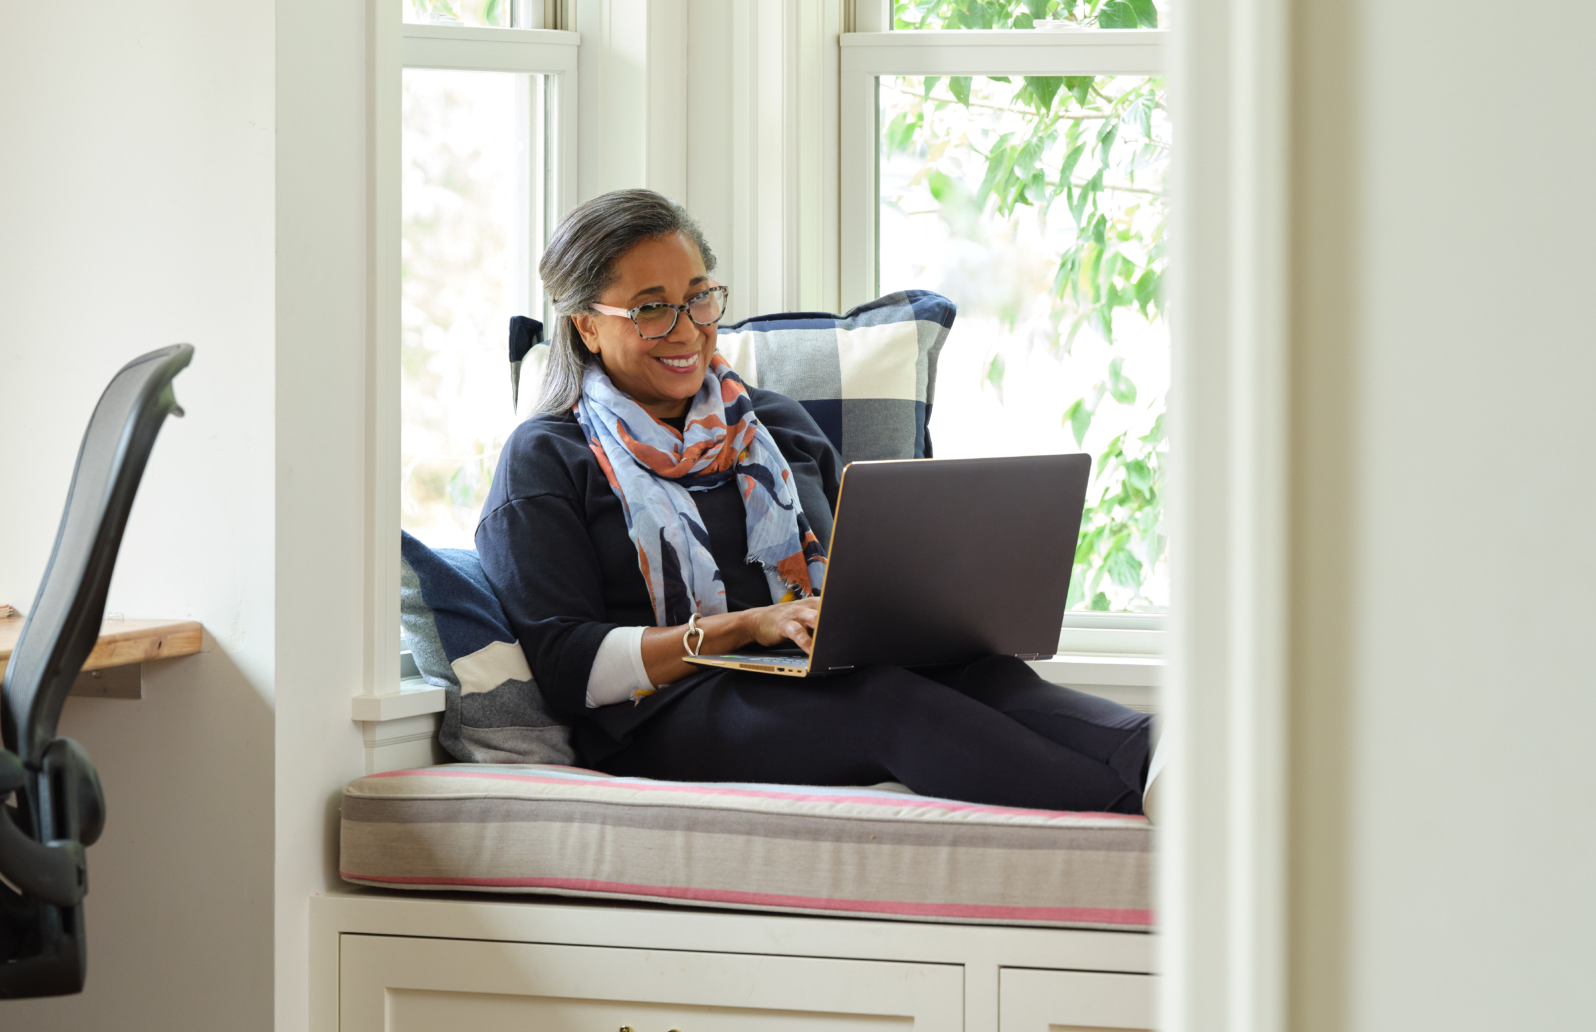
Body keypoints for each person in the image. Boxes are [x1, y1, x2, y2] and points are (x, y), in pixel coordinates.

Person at [476, 188, 1153, 813]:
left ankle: (1180, 769)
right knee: (888, 705)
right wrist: (749, 626)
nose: (686, 330)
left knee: (986, 675)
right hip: (662, 715)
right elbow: (570, 668)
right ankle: (1155, 829)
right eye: (652, 309)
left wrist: (922, 611)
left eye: (700, 297)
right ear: (588, 327)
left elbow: (849, 578)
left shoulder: (773, 424)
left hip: (810, 674)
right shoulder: (545, 459)